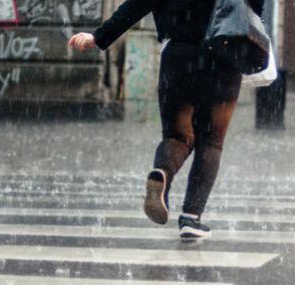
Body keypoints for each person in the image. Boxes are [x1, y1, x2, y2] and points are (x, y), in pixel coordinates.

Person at [68, 0, 263, 239]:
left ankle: (162, 173)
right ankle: (192, 217)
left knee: (177, 136)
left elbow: (136, 5)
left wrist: (98, 37)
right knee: (210, 141)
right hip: (222, 54)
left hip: (177, 56)